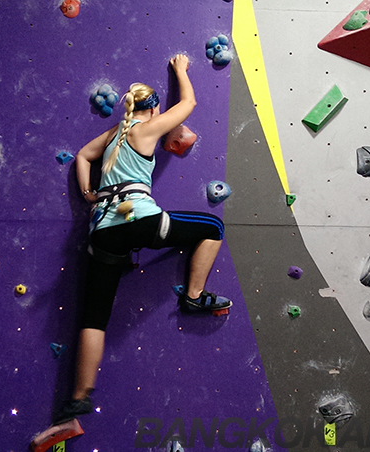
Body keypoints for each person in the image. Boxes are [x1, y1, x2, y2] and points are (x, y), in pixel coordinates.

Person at [53, 54, 232, 425]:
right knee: (213, 227)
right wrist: (181, 71)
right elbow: (188, 105)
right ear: (151, 112)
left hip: (102, 230)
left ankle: (78, 400)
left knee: (94, 316)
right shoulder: (143, 130)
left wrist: (89, 195)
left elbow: (83, 157)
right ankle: (194, 298)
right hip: (138, 220)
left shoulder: (114, 134)